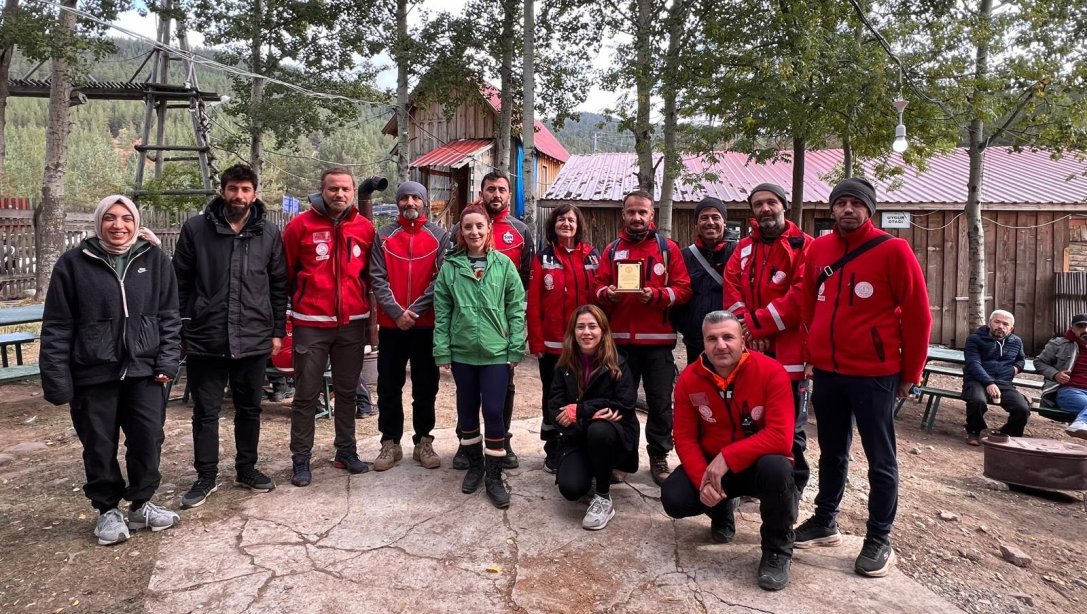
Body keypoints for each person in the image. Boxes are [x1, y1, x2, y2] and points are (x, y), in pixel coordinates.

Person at [794, 177, 932, 578]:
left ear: (869, 210)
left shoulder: (894, 251)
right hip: (829, 374)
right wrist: (809, 355)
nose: (848, 210)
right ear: (832, 209)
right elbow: (808, 308)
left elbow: (919, 317)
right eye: (841, 204)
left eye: (856, 203)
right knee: (833, 451)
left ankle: (879, 538)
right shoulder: (819, 249)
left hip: (875, 374)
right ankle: (825, 521)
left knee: (880, 459)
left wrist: (911, 372)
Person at [40, 195, 182, 545]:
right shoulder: (73, 264)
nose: (118, 225)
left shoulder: (155, 260)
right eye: (110, 218)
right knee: (99, 444)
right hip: (92, 372)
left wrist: (166, 361)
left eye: (126, 218)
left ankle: (141, 503)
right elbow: (57, 325)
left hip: (144, 371)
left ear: (136, 222)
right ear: (98, 222)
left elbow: (169, 316)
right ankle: (107, 511)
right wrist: (58, 380)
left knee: (148, 438)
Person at [172, 163, 288, 508]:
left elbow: (279, 285)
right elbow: (179, 283)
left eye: (246, 189)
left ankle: (247, 469)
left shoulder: (267, 233)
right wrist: (181, 328)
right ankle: (205, 476)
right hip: (205, 337)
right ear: (223, 191)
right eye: (233, 188)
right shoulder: (195, 230)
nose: (239, 196)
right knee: (205, 412)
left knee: (250, 409)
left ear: (255, 193)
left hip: (253, 336)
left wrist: (277, 330)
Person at [660, 311, 797, 591]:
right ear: (703, 342)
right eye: (712, 338)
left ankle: (777, 550)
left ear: (743, 339)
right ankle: (721, 509)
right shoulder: (689, 379)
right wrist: (703, 480)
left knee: (778, 469)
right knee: (674, 498)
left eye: (727, 337)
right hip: (715, 467)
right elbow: (684, 437)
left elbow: (781, 437)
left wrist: (728, 457)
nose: (720, 345)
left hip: (758, 465)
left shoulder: (771, 372)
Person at [720, 182, 813, 537]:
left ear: (783, 206)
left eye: (771, 202)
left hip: (789, 358)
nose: (765, 209)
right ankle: (750, 483)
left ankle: (790, 492)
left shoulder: (805, 247)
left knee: (791, 431)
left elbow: (801, 295)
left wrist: (755, 325)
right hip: (749, 356)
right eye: (758, 204)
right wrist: (745, 327)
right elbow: (731, 288)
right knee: (746, 422)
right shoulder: (742, 249)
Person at [282, 167, 376, 486]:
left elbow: (369, 277)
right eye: (333, 189)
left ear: (352, 193)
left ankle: (345, 452)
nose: (340, 194)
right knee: (306, 393)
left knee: (347, 392)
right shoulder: (299, 226)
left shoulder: (365, 228)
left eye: (346, 189)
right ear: (322, 190)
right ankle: (301, 459)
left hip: (352, 324)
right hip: (311, 323)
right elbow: (286, 272)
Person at [593, 189, 692, 485]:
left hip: (658, 344)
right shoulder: (611, 250)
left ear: (652, 215)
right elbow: (597, 286)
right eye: (631, 212)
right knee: (622, 403)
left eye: (642, 212)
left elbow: (684, 289)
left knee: (660, 403)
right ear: (623, 214)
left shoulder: (667, 249)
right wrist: (606, 293)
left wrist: (659, 296)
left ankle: (659, 456)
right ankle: (624, 459)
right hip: (621, 343)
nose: (637, 217)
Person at [433, 204, 526, 508]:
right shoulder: (451, 266)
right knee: (468, 411)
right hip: (463, 354)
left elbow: (515, 308)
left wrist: (514, 348)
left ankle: (494, 476)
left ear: (489, 229)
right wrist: (443, 349)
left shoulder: (503, 265)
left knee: (495, 412)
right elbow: (443, 312)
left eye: (479, 226)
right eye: (467, 226)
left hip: (496, 353)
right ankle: (475, 466)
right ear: (460, 231)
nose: (473, 232)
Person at [449, 172, 534, 471]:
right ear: (481, 192)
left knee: (501, 392)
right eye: (490, 189)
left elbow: (524, 280)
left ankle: (502, 442)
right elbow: (448, 280)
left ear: (509, 194)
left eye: (501, 190)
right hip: (466, 331)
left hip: (500, 328)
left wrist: (512, 328)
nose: (495, 194)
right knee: (467, 395)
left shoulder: (521, 230)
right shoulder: (459, 228)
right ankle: (466, 445)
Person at [370, 181, 448, 471]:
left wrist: (412, 312)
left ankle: (424, 441)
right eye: (405, 198)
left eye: (416, 197)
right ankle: (389, 442)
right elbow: (377, 278)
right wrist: (395, 312)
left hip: (425, 325)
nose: (410, 203)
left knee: (426, 387)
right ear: (398, 202)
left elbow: (440, 280)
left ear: (425, 202)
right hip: (391, 327)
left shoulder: (440, 236)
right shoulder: (384, 236)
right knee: (389, 386)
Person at [548, 305, 638, 530]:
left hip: (610, 438)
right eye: (580, 327)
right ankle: (593, 469)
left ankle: (603, 496)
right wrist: (589, 417)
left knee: (600, 429)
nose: (586, 332)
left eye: (592, 326)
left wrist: (579, 412)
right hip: (577, 439)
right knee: (571, 490)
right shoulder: (564, 364)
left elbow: (623, 405)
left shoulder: (619, 364)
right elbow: (554, 408)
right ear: (573, 332)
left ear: (603, 331)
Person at [527, 204, 601, 472]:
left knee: (585, 395)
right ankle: (553, 448)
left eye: (571, 219)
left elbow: (601, 298)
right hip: (553, 344)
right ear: (553, 224)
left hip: (587, 345)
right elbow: (534, 303)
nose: (566, 223)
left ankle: (581, 444)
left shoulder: (593, 256)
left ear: (579, 224)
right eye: (561, 219)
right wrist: (536, 341)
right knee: (553, 396)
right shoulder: (543, 258)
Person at [672, 196, 738, 365]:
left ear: (724, 222)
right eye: (704, 218)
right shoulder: (685, 256)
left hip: (732, 340)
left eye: (716, 217)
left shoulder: (739, 253)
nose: (710, 222)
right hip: (697, 340)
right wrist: (687, 327)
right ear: (697, 224)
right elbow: (678, 292)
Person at [962, 309, 1029, 445]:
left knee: (1022, 408)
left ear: (1011, 328)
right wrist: (989, 383)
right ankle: (974, 431)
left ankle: (1007, 433)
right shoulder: (975, 339)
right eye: (997, 322)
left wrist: (1015, 369)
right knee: (977, 401)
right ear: (989, 323)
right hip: (977, 380)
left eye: (1005, 324)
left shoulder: (1016, 341)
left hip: (1004, 383)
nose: (1000, 326)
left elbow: (1021, 360)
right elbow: (973, 364)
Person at [1035, 313, 1087, 438]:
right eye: (1080, 326)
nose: (1085, 330)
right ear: (1072, 328)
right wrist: (1055, 374)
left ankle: (1081, 422)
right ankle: (1081, 422)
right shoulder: (1058, 344)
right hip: (1070, 391)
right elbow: (1039, 362)